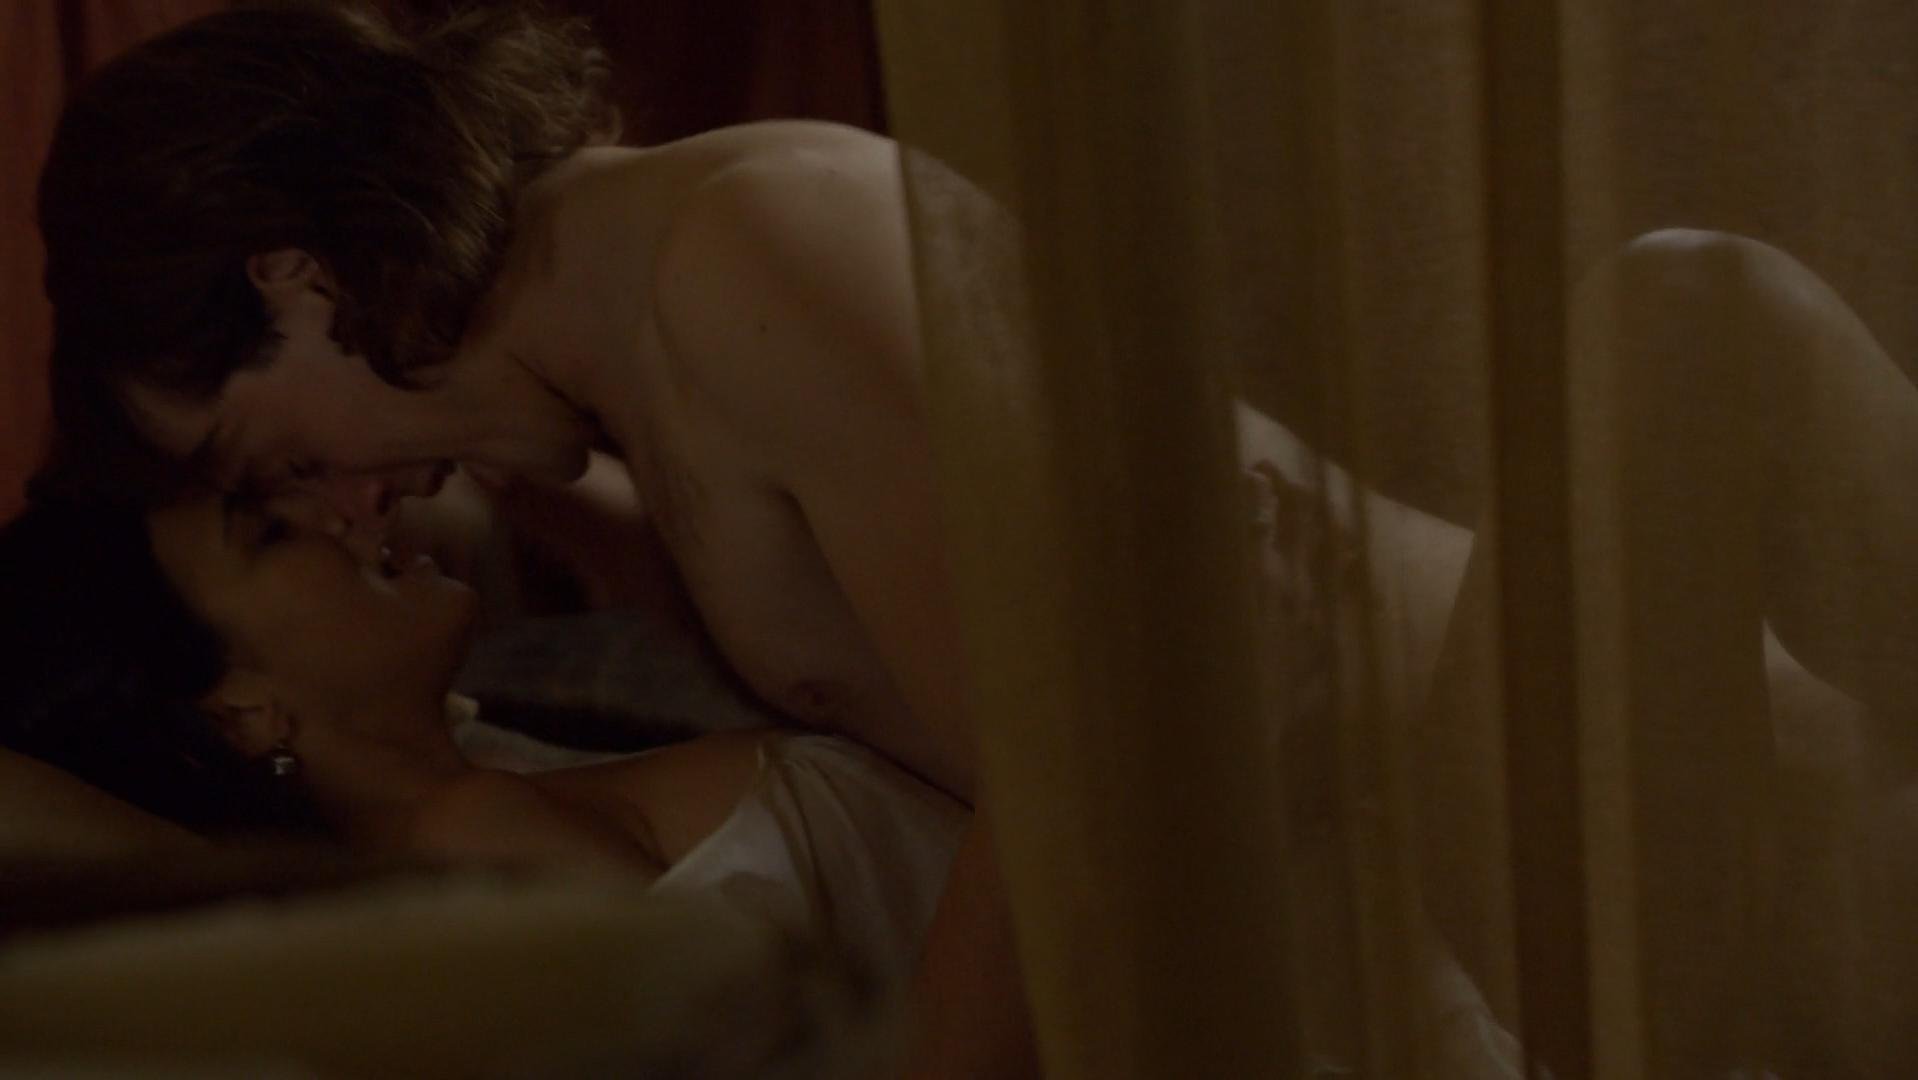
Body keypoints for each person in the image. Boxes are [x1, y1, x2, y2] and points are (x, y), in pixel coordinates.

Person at [35, 4, 1031, 1073]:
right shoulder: (667, 332)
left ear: (297, 280)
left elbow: (1062, 769)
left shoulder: (741, 257)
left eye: (277, 464)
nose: (347, 503)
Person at [0, 483, 966, 1010]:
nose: (340, 513)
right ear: (242, 714)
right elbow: (775, 1042)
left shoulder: (488, 780)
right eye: (268, 535)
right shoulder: (467, 836)